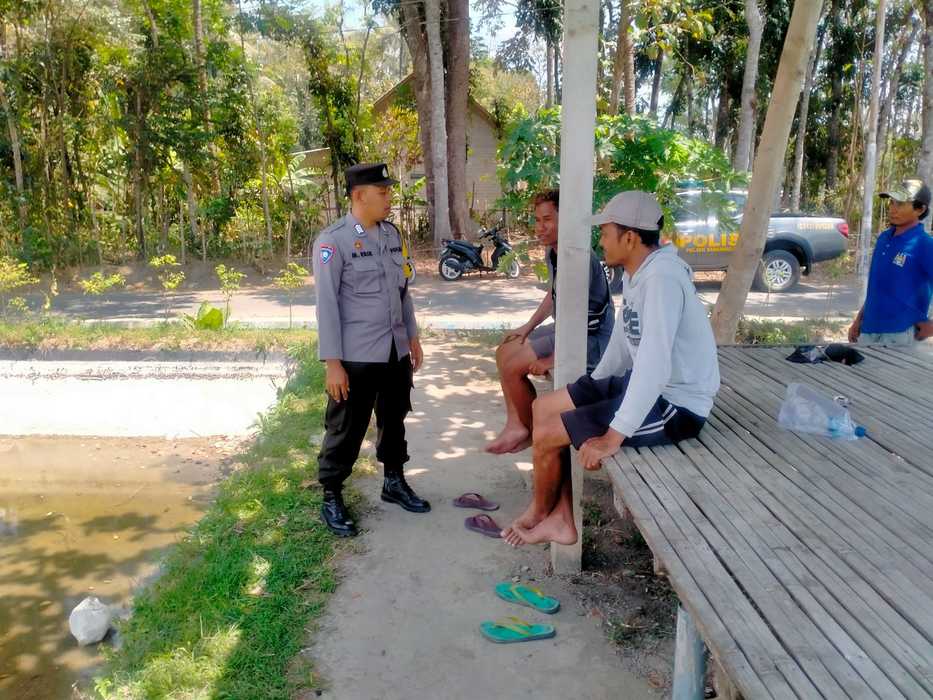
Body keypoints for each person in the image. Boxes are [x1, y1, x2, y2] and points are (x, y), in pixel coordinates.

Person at [501, 191, 720, 547]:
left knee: (551, 431)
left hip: (676, 405)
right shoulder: (638, 274)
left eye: (605, 234)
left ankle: (546, 515)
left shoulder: (662, 279)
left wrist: (613, 436)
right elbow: (622, 339)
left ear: (630, 238)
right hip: (646, 386)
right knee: (543, 407)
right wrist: (591, 387)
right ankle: (557, 515)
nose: (600, 242)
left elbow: (654, 364)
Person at [312, 162, 429, 538]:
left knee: (394, 418)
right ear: (359, 195)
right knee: (346, 427)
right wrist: (333, 364)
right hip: (357, 356)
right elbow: (327, 306)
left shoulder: (392, 235)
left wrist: (412, 337)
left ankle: (394, 481)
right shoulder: (333, 242)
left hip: (395, 350)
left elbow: (402, 291)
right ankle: (332, 494)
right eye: (383, 192)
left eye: (388, 191)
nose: (389, 197)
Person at [485, 190, 615, 455]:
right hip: (567, 330)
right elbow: (553, 295)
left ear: (564, 220)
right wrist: (527, 327)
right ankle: (516, 424)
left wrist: (554, 359)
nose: (540, 227)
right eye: (537, 220)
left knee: (512, 367)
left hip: (591, 340)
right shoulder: (554, 251)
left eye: (547, 220)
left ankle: (528, 431)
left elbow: (583, 326)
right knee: (505, 350)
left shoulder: (577, 258)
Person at [848, 179, 933, 346]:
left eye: (900, 204)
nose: (892, 209)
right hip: (868, 331)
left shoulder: (924, 245)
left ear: (920, 209)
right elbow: (877, 288)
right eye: (892, 202)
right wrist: (858, 320)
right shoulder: (883, 239)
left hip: (900, 335)